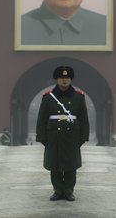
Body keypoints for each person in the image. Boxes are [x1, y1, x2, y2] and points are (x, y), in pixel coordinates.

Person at [36, 66, 89, 201]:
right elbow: (42, 119)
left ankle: (69, 191)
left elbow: (83, 119)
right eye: (61, 78)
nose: (64, 80)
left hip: (72, 136)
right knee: (55, 165)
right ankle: (58, 190)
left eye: (67, 78)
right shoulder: (48, 97)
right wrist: (42, 137)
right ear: (56, 79)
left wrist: (82, 137)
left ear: (70, 79)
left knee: (71, 165)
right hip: (54, 136)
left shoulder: (79, 97)